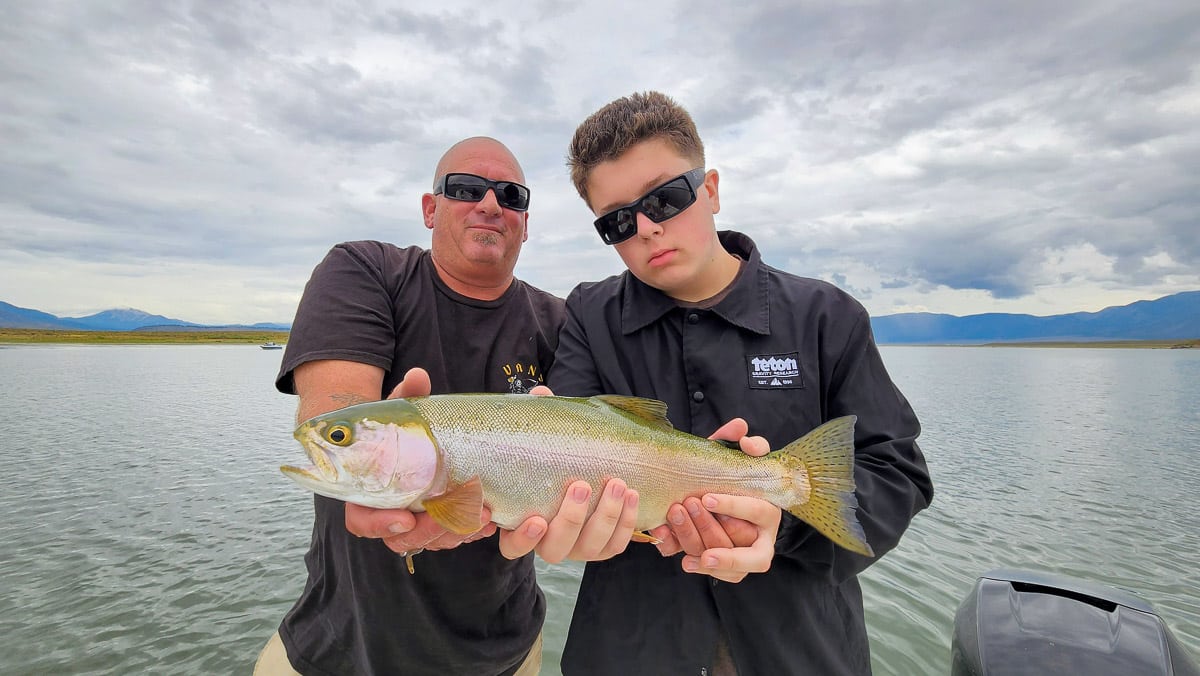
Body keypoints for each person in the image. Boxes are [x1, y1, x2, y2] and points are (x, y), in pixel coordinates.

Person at [547, 92, 935, 675]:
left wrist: (784, 526)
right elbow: (565, 444)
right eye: (619, 220)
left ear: (711, 190)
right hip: (633, 649)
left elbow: (897, 472)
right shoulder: (589, 316)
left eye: (667, 197)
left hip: (799, 650)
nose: (648, 228)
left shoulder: (827, 316)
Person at [255, 136, 574, 676]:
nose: (490, 204)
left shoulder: (560, 322)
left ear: (525, 218)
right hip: (337, 648)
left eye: (510, 194)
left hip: (505, 654)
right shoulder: (364, 270)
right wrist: (353, 443)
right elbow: (335, 407)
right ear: (430, 209)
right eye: (466, 189)